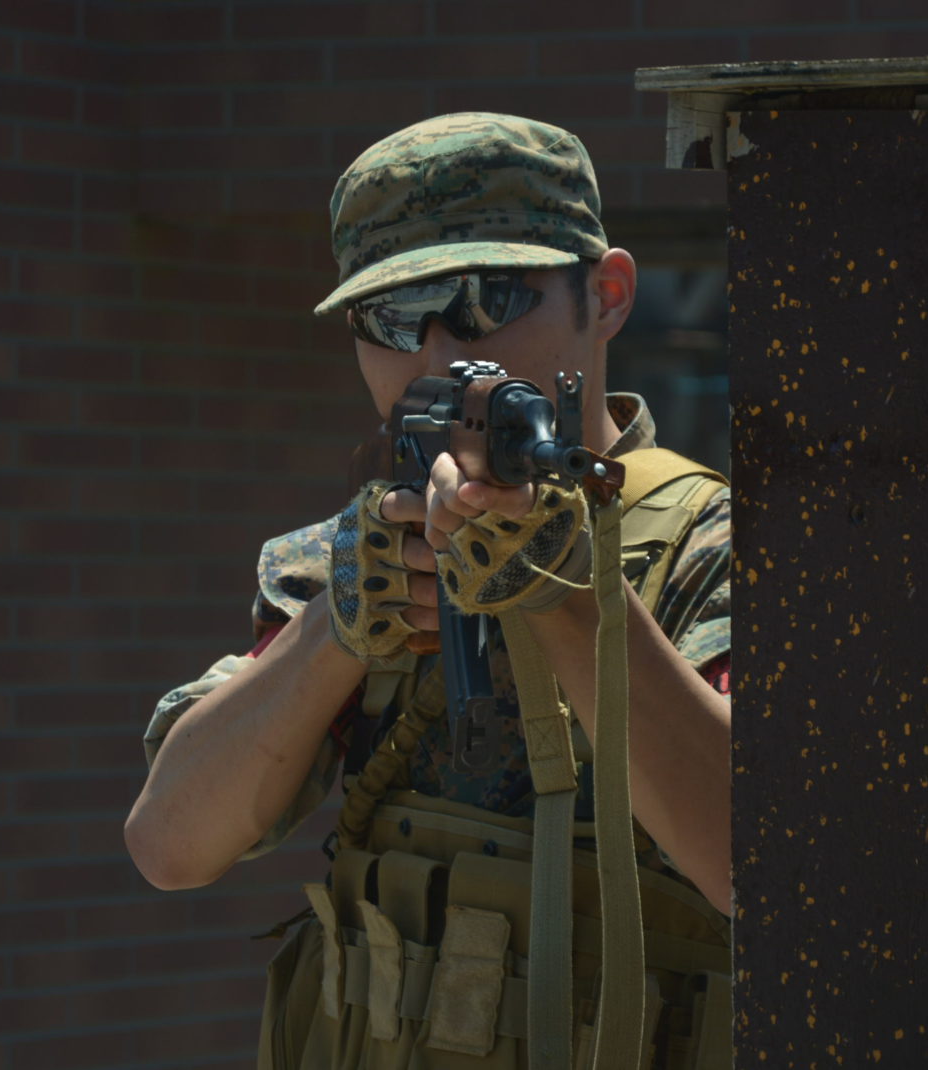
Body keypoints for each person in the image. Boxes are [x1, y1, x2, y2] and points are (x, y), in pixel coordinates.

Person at [125, 113, 732, 1068]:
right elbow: (170, 845)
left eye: (490, 300)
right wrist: (336, 629)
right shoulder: (353, 554)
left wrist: (568, 594)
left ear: (607, 296)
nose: (444, 356)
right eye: (393, 318)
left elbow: (757, 862)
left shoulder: (709, 540)